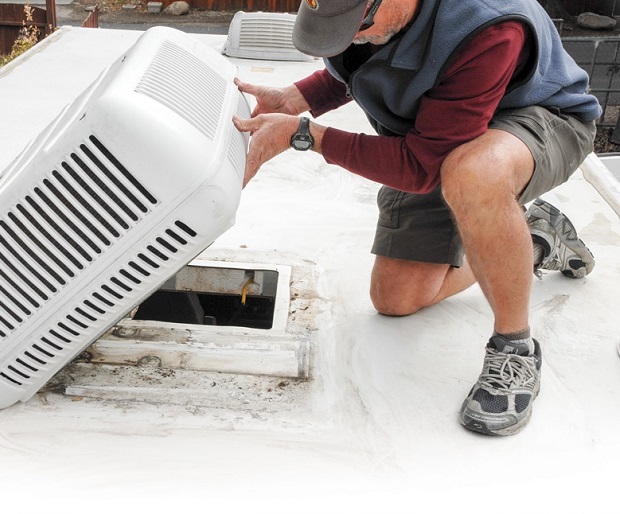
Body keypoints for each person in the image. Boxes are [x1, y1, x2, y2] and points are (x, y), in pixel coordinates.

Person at [232, 0, 600, 436]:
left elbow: (421, 168)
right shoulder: (371, 16)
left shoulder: (488, 25)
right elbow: (356, 59)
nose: (350, 38)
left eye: (357, 26)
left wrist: (306, 136)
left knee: (474, 174)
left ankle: (515, 348)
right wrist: (298, 97)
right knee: (397, 299)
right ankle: (533, 236)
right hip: (437, 126)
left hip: (537, 116)